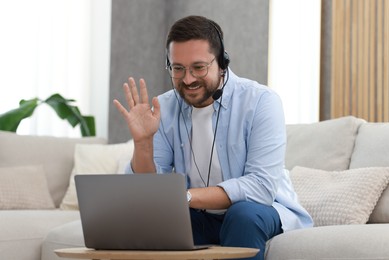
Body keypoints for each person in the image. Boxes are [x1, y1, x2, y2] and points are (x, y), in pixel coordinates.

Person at [113, 15, 313, 260]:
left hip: (261, 210)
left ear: (222, 62)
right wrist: (143, 142)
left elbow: (261, 187)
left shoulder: (261, 101)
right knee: (145, 222)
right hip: (198, 214)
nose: (188, 79)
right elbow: (149, 194)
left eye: (198, 67)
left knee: (242, 215)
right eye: (178, 68)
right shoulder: (164, 107)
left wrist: (184, 196)